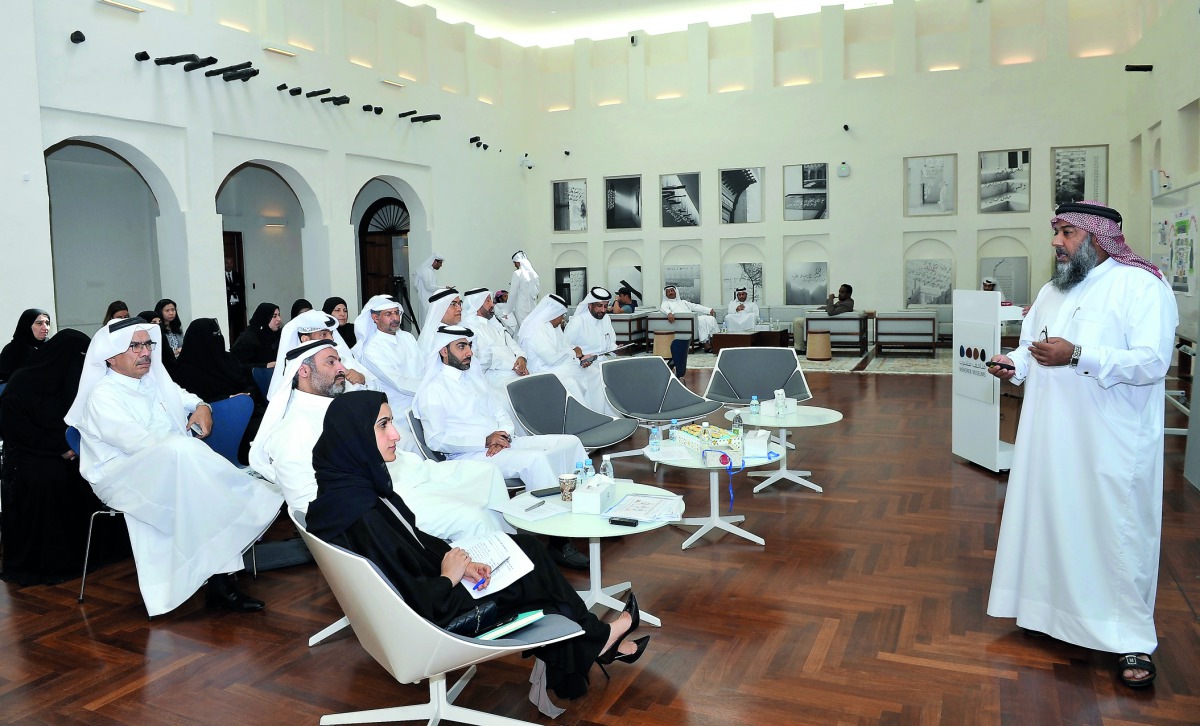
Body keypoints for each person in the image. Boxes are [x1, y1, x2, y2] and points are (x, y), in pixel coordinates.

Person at [306, 390, 648, 704]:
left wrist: (459, 563)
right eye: (383, 425)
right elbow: (411, 595)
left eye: (392, 422)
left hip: (431, 593)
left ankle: (589, 647)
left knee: (526, 548)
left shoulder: (343, 492)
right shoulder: (361, 513)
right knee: (533, 571)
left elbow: (411, 545)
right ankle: (596, 641)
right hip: (435, 613)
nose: (395, 434)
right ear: (354, 436)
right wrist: (448, 578)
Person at [985, 201, 1175, 690]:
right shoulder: (1051, 292)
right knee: (1051, 521)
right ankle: (1048, 613)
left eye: (1067, 233)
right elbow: (1032, 348)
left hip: (1110, 441)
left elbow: (1152, 362)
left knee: (1118, 535)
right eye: (1057, 233)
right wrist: (1014, 365)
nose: (1057, 242)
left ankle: (1130, 637)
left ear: (1096, 236)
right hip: (1049, 437)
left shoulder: (1141, 286)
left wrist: (1080, 356)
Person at [64, 318, 284, 615]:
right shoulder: (103, 395)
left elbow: (188, 398)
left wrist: (203, 407)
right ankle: (248, 503)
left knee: (195, 480)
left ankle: (220, 581)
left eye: (147, 344)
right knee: (189, 460)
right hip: (121, 474)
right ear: (111, 357)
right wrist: (183, 444)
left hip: (169, 462)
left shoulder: (152, 381)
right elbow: (140, 443)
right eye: (135, 346)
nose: (145, 352)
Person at [251, 340, 510, 540]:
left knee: (487, 475)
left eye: (340, 360)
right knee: (473, 518)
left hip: (408, 474)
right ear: (304, 371)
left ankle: (513, 554)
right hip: (381, 502)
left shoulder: (335, 406)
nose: (342, 368)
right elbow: (309, 505)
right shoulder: (292, 430)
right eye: (331, 362)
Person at [413, 325, 591, 568]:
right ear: (444, 351)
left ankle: (586, 508)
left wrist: (503, 435)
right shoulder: (434, 390)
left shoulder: (475, 379)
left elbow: (501, 413)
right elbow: (436, 439)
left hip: (502, 445)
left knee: (569, 442)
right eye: (462, 347)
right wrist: (485, 440)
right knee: (536, 461)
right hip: (470, 456)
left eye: (470, 346)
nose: (469, 353)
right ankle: (558, 542)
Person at [0, 330, 129, 585]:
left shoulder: (77, 383)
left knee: (97, 473)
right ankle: (53, 562)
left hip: (66, 450)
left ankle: (95, 552)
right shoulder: (23, 382)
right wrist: (59, 447)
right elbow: (17, 429)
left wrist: (75, 446)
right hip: (28, 454)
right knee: (51, 479)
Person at [170, 317, 263, 464]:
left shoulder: (228, 359)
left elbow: (249, 383)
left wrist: (246, 395)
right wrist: (230, 398)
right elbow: (194, 403)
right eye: (212, 336)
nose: (218, 339)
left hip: (247, 412)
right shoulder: (184, 370)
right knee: (258, 432)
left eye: (218, 334)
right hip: (218, 422)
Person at [518, 294, 608, 414]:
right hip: (544, 370)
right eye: (561, 315)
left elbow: (566, 348)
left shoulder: (554, 327)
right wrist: (573, 353)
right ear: (552, 313)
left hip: (560, 366)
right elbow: (551, 358)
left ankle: (599, 413)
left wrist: (581, 358)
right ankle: (583, 418)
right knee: (572, 383)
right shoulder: (536, 330)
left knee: (594, 372)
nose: (562, 319)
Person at [267, 309, 371, 400]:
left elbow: (378, 389)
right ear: (305, 340)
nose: (331, 339)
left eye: (331, 334)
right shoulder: (299, 369)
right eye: (323, 334)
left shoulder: (344, 359)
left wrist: (363, 380)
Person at [351, 294, 423, 417]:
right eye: (388, 314)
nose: (395, 318)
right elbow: (399, 382)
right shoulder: (372, 350)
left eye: (396, 313)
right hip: (398, 413)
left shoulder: (408, 338)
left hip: (422, 404)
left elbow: (422, 367)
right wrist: (431, 389)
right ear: (375, 317)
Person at [463, 286, 529, 392]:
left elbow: (512, 344)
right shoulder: (472, 328)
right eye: (487, 301)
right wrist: (514, 366)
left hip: (515, 371)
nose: (492, 304)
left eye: (491, 300)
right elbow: (486, 357)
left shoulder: (494, 323)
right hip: (496, 376)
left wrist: (522, 358)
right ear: (477, 304)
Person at [564, 287, 623, 384]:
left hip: (604, 364)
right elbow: (565, 347)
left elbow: (610, 343)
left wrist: (617, 349)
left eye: (605, 306)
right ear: (590, 305)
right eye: (599, 306)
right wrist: (580, 358)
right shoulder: (578, 322)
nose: (603, 310)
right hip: (583, 368)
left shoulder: (606, 318)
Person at [0, 308, 51, 383]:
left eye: (47, 323)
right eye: (39, 323)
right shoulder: (13, 350)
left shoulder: (51, 347)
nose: (45, 328)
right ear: (27, 325)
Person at [231, 302, 282, 371]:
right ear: (264, 317)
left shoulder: (277, 334)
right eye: (274, 316)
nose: (279, 319)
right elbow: (236, 365)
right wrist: (265, 366)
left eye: (279, 315)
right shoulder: (247, 339)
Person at [416, 287, 463, 358]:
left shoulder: (459, 328)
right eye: (453, 304)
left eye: (459, 304)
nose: (459, 309)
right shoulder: (434, 336)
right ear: (440, 308)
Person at [509, 251, 540, 328]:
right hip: (532, 306)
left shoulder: (517, 273)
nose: (515, 265)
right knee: (531, 328)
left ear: (518, 262)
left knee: (523, 329)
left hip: (521, 306)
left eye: (515, 263)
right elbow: (537, 291)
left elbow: (513, 293)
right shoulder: (534, 274)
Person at [414, 254, 444, 324]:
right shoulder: (427, 271)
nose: (441, 265)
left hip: (429, 301)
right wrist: (444, 288)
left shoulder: (430, 271)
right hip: (426, 301)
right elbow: (429, 287)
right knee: (426, 322)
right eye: (440, 263)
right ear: (435, 262)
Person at [224, 256, 247, 341]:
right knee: (228, 326)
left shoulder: (238, 275)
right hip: (228, 307)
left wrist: (232, 290)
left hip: (238, 306)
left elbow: (241, 288)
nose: (229, 265)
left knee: (238, 327)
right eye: (227, 263)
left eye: (231, 263)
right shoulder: (221, 277)